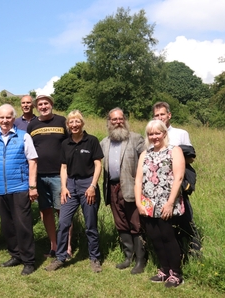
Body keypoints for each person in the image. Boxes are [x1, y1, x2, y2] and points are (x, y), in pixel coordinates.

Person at [45, 110, 103, 273]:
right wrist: (63, 187)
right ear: (68, 125)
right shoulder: (65, 143)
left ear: (82, 123)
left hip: (87, 185)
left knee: (90, 224)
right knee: (63, 222)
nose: (74, 125)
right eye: (71, 122)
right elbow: (63, 167)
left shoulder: (91, 141)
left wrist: (92, 186)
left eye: (77, 121)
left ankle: (94, 258)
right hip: (70, 184)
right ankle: (60, 257)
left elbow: (98, 164)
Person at [0, 104, 38, 276]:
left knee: (23, 225)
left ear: (13, 118)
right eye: (2, 117)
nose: (5, 120)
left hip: (20, 188)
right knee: (7, 225)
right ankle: (15, 255)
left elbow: (33, 162)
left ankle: (29, 260)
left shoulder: (24, 137)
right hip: (0, 190)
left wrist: (32, 187)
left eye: (8, 117)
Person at [135, 119, 186, 288]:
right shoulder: (145, 154)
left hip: (166, 202)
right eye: (151, 134)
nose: (154, 136)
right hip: (148, 203)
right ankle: (164, 270)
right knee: (155, 237)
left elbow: (178, 178)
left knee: (167, 237)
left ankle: (176, 273)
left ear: (164, 133)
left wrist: (170, 203)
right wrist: (139, 203)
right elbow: (138, 181)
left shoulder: (174, 151)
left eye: (157, 133)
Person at [99, 108, 146, 274]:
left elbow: (146, 163)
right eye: (114, 119)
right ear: (109, 122)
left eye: (120, 119)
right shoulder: (104, 142)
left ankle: (140, 260)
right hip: (111, 187)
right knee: (121, 224)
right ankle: (128, 256)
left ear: (124, 120)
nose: (118, 122)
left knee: (136, 224)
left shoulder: (136, 139)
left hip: (131, 187)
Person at [152, 101, 202, 257]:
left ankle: (194, 250)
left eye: (162, 114)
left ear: (169, 115)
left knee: (185, 217)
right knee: (165, 219)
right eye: (156, 115)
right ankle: (174, 252)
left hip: (178, 183)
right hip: (159, 184)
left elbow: (191, 158)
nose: (160, 117)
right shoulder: (152, 133)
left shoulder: (181, 133)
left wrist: (174, 158)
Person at [26, 94, 72, 258]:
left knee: (63, 211)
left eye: (46, 103)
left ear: (51, 104)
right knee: (46, 211)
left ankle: (66, 247)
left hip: (59, 175)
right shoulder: (32, 125)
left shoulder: (62, 121)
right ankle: (53, 245)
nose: (43, 106)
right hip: (39, 176)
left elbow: (70, 145)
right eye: (40, 104)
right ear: (36, 107)